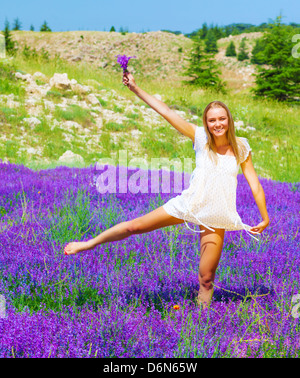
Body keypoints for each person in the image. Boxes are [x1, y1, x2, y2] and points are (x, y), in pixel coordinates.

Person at [64, 71, 270, 308]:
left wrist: (264, 217)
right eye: (212, 120)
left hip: (216, 214)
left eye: (221, 119)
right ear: (206, 123)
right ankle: (88, 244)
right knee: (135, 226)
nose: (217, 124)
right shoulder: (201, 137)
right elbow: (167, 112)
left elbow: (254, 183)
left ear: (229, 120)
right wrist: (136, 88)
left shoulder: (241, 146)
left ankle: (199, 329)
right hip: (190, 203)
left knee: (206, 278)